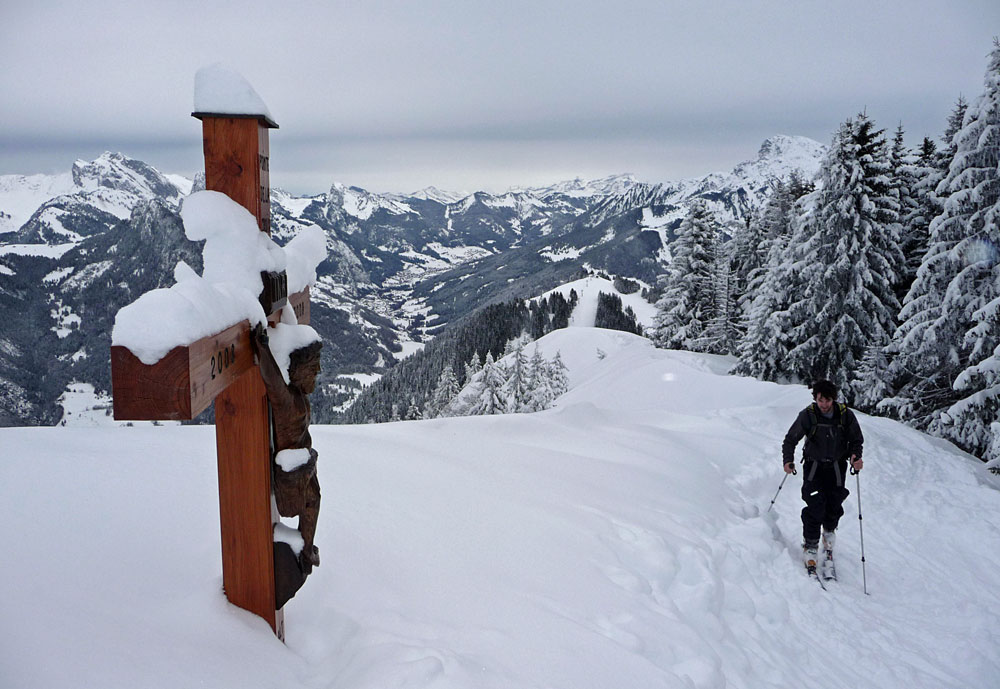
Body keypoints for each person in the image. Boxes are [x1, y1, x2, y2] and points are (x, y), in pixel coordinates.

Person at [251, 323, 323, 605]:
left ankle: (305, 549)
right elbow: (272, 381)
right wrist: (261, 347)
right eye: (313, 368)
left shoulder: (300, 398)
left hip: (303, 465)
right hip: (290, 474)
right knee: (310, 505)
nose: (318, 373)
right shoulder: (287, 402)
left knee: (315, 502)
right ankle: (304, 552)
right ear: (299, 372)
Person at [781, 379, 864, 577]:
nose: (824, 404)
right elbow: (791, 439)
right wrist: (788, 460)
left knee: (834, 503)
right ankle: (810, 545)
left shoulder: (845, 415)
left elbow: (856, 440)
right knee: (815, 505)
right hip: (814, 467)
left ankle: (828, 533)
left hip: (837, 467)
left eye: (827, 400)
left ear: (833, 399)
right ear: (815, 399)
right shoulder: (808, 415)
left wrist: (856, 456)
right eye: (820, 400)